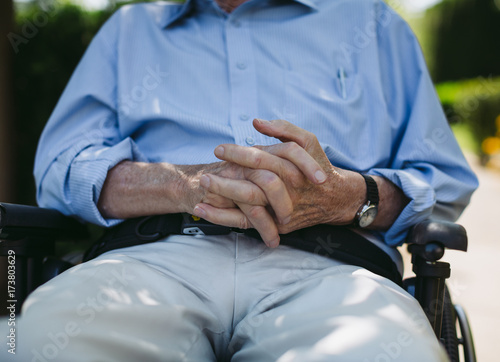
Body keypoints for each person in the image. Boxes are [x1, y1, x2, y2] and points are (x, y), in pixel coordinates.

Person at [2, 0, 478, 361]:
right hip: (151, 260)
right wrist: (185, 183)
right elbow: (62, 166)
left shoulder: (373, 22)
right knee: (44, 342)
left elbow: (442, 182)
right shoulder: (129, 30)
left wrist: (345, 196)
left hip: (333, 267)